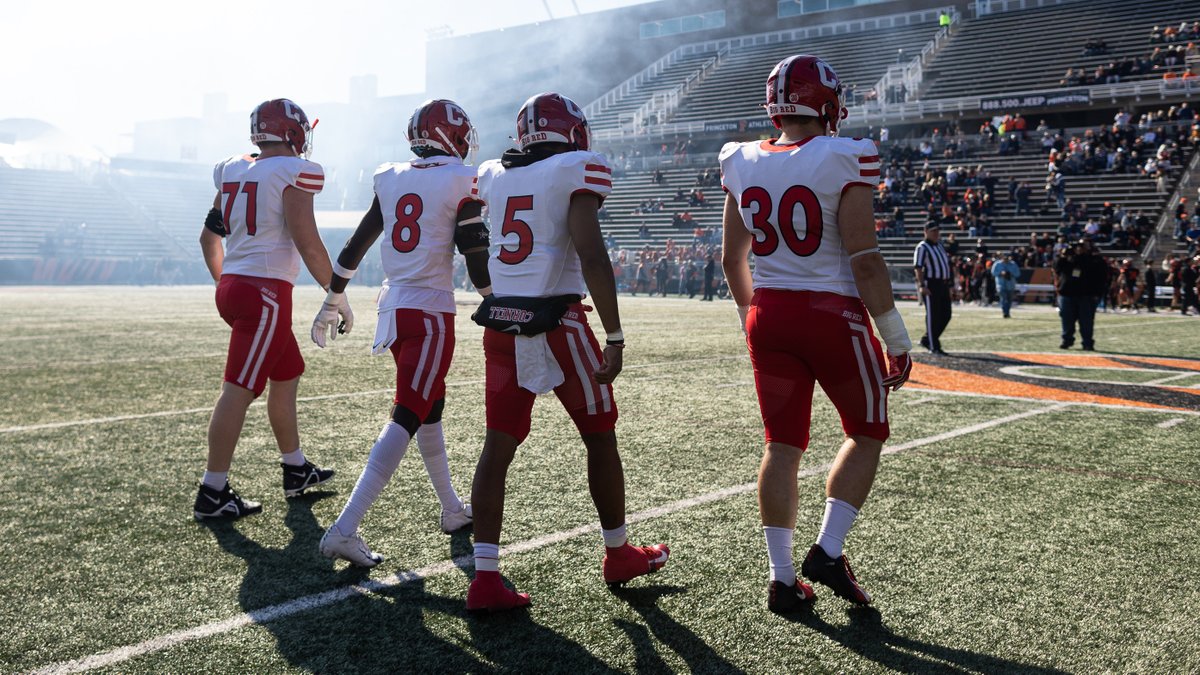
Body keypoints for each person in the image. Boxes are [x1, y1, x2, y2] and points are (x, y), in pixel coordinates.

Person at [720, 55, 913, 613]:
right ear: (826, 105)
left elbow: (733, 259)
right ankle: (827, 551)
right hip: (832, 315)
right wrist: (895, 336)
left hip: (769, 313)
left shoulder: (742, 160)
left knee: (781, 446)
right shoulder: (843, 155)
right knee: (867, 429)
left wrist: (749, 319)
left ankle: (782, 578)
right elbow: (866, 260)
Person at [466, 93, 669, 612]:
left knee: (497, 447)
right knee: (600, 438)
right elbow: (592, 253)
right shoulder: (575, 168)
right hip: (560, 321)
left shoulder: (495, 173)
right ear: (572, 132)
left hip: (502, 324)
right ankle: (618, 553)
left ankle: (485, 578)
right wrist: (617, 336)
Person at [313, 99, 491, 567]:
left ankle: (451, 508)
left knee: (430, 405)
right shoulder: (460, 180)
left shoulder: (391, 177)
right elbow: (474, 256)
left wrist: (332, 298)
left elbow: (355, 244)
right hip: (430, 311)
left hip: (393, 309)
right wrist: (498, 299)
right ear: (451, 136)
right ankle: (345, 528)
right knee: (408, 413)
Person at [194, 99, 344, 519]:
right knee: (238, 391)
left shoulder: (232, 168)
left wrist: (229, 284)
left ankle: (295, 469)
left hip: (236, 286)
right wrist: (337, 291)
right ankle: (212, 491)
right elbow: (306, 239)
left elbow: (208, 239)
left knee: (287, 373)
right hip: (263, 294)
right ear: (294, 132)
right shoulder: (294, 171)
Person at [1053, 240, 1108, 349]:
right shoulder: (1068, 259)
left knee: (1086, 321)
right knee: (1067, 320)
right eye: (1077, 247)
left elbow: (1101, 276)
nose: (1079, 249)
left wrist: (1098, 293)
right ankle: (1067, 340)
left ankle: (1087, 342)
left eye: (1082, 246)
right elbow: (1057, 267)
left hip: (1086, 295)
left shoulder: (1093, 260)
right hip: (1068, 294)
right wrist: (1063, 255)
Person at [913, 222, 953, 354]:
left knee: (946, 314)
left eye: (937, 231)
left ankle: (927, 339)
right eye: (933, 231)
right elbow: (918, 268)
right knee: (933, 316)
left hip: (943, 284)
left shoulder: (940, 245)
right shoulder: (922, 247)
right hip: (931, 284)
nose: (936, 233)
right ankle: (934, 346)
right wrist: (922, 285)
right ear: (926, 231)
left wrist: (950, 285)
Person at [992, 253, 1021, 318]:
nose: (1006, 260)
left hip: (1010, 285)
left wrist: (1010, 273)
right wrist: (1001, 273)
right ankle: (1005, 312)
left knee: (1009, 300)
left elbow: (1018, 274)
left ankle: (1007, 311)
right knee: (1003, 298)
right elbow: (993, 273)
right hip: (1001, 285)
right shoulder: (997, 264)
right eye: (1004, 258)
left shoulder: (1013, 264)